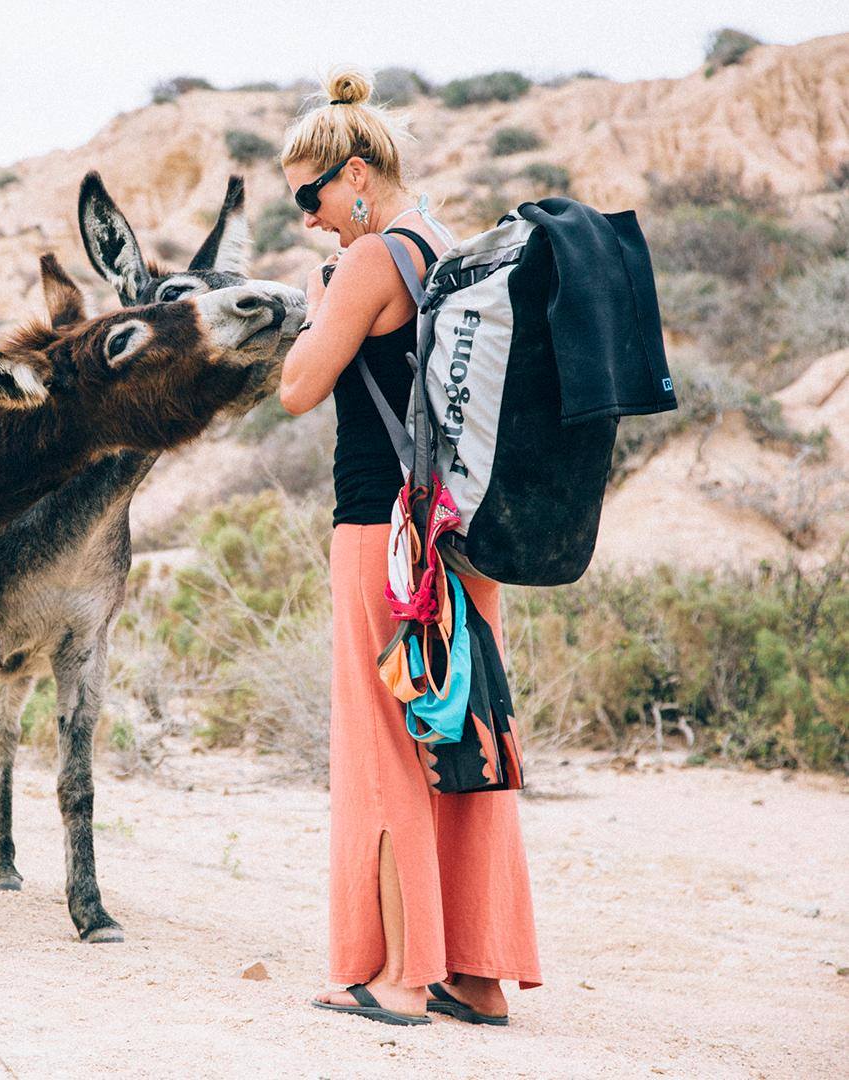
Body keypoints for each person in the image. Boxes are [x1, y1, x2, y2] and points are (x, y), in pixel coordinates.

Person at [276, 67, 541, 1026]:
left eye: (311, 198)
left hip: (379, 539)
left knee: (384, 743)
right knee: (464, 736)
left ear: (353, 173)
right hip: (453, 535)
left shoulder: (369, 260)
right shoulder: (442, 244)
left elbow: (298, 388)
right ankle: (476, 973)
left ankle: (395, 978)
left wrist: (318, 303)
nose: (310, 219)